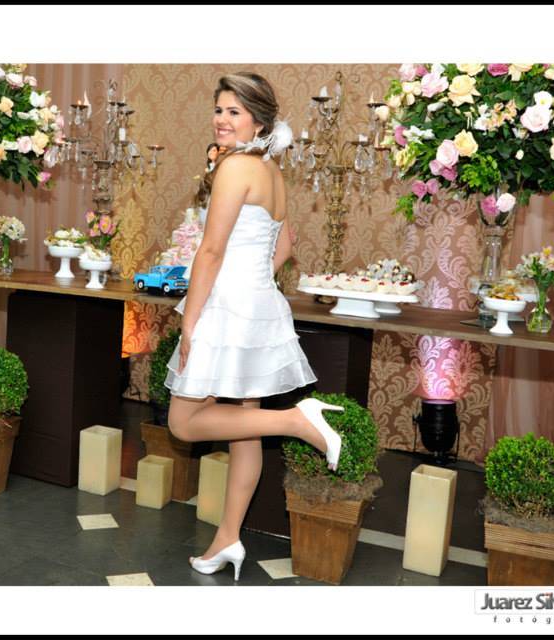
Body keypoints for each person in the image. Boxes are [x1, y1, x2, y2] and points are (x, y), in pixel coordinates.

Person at [163, 72, 345, 581]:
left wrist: (192, 322)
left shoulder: (235, 167)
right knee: (245, 431)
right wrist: (252, 287)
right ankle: (227, 538)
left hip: (226, 309)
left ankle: (297, 421)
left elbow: (211, 250)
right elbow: (285, 246)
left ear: (259, 122)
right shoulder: (270, 171)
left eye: (234, 112)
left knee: (183, 423)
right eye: (219, 110)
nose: (222, 120)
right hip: (259, 306)